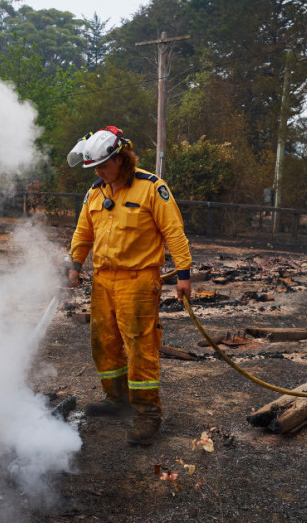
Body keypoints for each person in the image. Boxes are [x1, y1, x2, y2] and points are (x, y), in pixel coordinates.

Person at [66, 126, 192, 445]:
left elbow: (174, 232)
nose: (99, 172)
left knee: (139, 348)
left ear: (121, 159)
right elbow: (83, 234)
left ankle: (147, 415)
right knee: (103, 343)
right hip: (103, 280)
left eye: (104, 166)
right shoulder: (96, 192)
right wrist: (75, 265)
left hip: (138, 280)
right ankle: (116, 400)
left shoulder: (151, 188)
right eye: (94, 168)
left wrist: (184, 274)